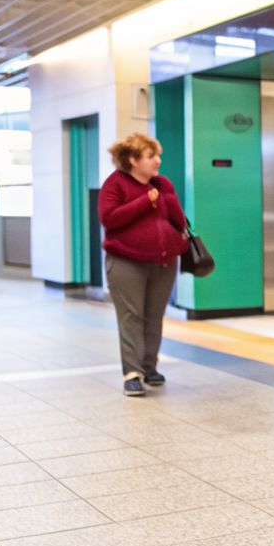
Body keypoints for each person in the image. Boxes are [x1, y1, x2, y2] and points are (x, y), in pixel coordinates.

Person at [99, 133, 187, 397]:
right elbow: (109, 219)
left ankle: (150, 367)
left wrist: (165, 197)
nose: (158, 161)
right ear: (133, 160)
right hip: (126, 262)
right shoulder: (115, 184)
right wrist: (145, 201)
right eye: (151, 156)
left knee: (153, 316)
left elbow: (178, 221)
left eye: (157, 155)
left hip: (162, 262)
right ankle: (132, 373)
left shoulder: (163, 184)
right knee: (131, 317)